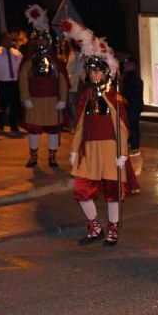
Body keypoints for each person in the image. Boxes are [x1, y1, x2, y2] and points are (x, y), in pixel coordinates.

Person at [61, 18, 139, 246]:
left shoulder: (115, 98)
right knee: (81, 189)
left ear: (106, 72)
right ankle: (94, 225)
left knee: (112, 192)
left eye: (97, 71)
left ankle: (112, 229)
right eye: (91, 71)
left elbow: (122, 128)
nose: (93, 75)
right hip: (88, 150)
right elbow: (81, 126)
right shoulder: (87, 97)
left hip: (109, 150)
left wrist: (122, 152)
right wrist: (75, 150)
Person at [19, 5, 69, 168]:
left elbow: (62, 80)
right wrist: (25, 97)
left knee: (53, 130)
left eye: (43, 39)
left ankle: (52, 157)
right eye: (38, 39)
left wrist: (63, 99)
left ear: (48, 41)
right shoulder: (28, 59)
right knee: (33, 129)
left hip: (53, 101)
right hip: (34, 100)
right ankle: (33, 157)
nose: (41, 42)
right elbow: (23, 79)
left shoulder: (56, 60)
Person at [0, 32, 23, 134]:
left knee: (15, 105)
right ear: (2, 41)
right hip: (1, 82)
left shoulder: (17, 53)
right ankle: (0, 126)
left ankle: (14, 126)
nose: (9, 41)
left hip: (14, 82)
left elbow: (21, 68)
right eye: (7, 39)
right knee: (2, 106)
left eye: (10, 39)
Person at [121, 57, 144, 152]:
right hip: (132, 105)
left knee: (132, 125)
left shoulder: (132, 79)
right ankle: (132, 143)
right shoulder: (130, 77)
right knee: (131, 125)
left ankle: (134, 144)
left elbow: (132, 94)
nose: (125, 66)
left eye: (128, 64)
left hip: (132, 106)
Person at [65, 38, 84, 132]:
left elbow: (69, 69)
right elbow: (69, 70)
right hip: (74, 84)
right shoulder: (74, 55)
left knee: (78, 105)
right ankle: (74, 126)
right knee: (73, 105)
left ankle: (78, 126)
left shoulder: (82, 55)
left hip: (80, 83)